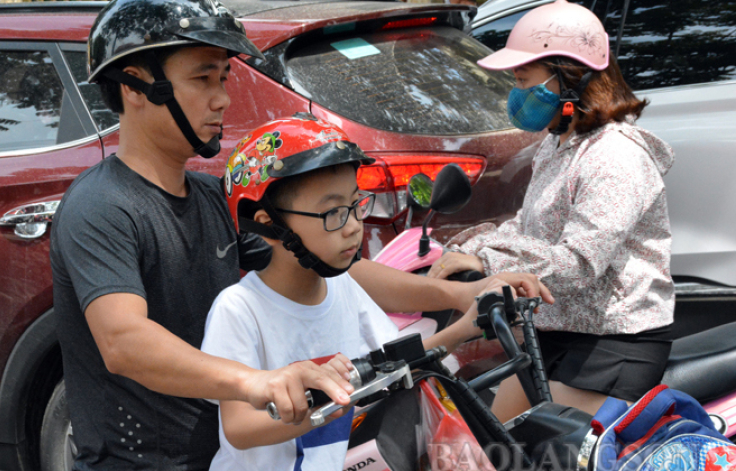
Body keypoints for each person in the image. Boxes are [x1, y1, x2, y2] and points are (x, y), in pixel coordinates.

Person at [51, 0, 551, 468]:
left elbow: (331, 263)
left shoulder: (208, 196)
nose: (222, 99)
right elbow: (123, 339)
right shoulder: (103, 205)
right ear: (136, 87)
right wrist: (259, 382)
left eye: (224, 78)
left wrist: (460, 294)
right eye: (203, 79)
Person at [201, 115, 517, 470]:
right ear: (267, 224)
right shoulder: (240, 309)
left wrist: (463, 329)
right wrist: (342, 397)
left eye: (356, 205)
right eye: (334, 212)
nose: (354, 227)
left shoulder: (341, 287)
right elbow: (240, 428)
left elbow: (390, 365)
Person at [427, 0, 675, 422]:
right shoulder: (559, 143)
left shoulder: (615, 156)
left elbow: (579, 261)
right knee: (489, 445)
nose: (516, 92)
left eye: (524, 79)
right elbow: (529, 227)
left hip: (612, 343)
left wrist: (487, 259)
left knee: (542, 451)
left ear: (570, 77)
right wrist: (466, 248)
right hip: (553, 328)